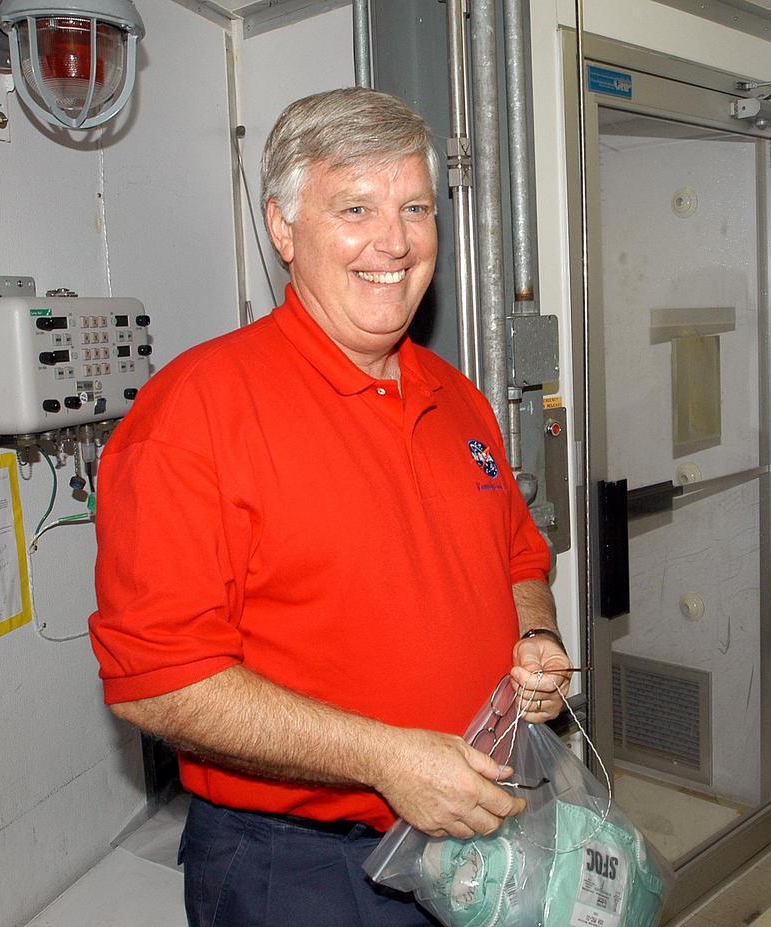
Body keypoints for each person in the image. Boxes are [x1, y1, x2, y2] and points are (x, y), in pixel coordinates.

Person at [88, 87, 570, 927]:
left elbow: (520, 557)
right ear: (281, 226)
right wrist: (384, 758)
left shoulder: (455, 395)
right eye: (356, 207)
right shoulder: (194, 413)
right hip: (302, 871)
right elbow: (156, 683)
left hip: (473, 832)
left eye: (415, 207)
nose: (395, 241)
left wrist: (536, 636)